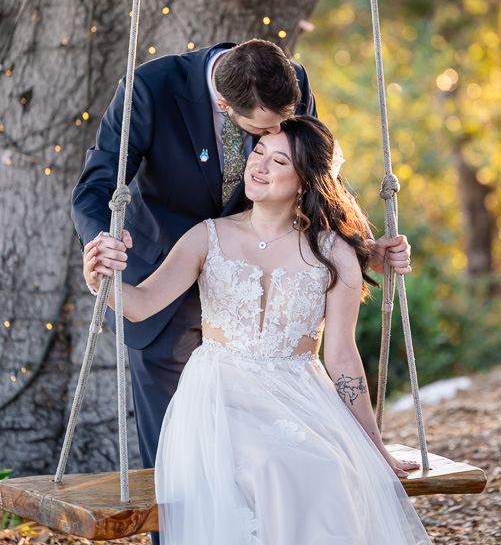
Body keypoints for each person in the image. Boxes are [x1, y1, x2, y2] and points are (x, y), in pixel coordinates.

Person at [72, 39, 411, 486]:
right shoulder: (149, 88)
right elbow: (96, 185)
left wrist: (359, 246)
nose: (263, 150)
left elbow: (313, 170)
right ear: (223, 103)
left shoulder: (290, 84)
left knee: (286, 467)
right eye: (258, 137)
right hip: (163, 277)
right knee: (180, 473)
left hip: (269, 285)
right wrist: (103, 252)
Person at [84, 115, 430, 545]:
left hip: (302, 397)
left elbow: (341, 355)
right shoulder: (206, 237)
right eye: (259, 152)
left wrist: (373, 445)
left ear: (305, 181)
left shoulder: (334, 253)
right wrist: (101, 280)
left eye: (278, 160)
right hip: (219, 396)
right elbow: (139, 306)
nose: (259, 165)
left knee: (331, 468)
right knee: (269, 467)